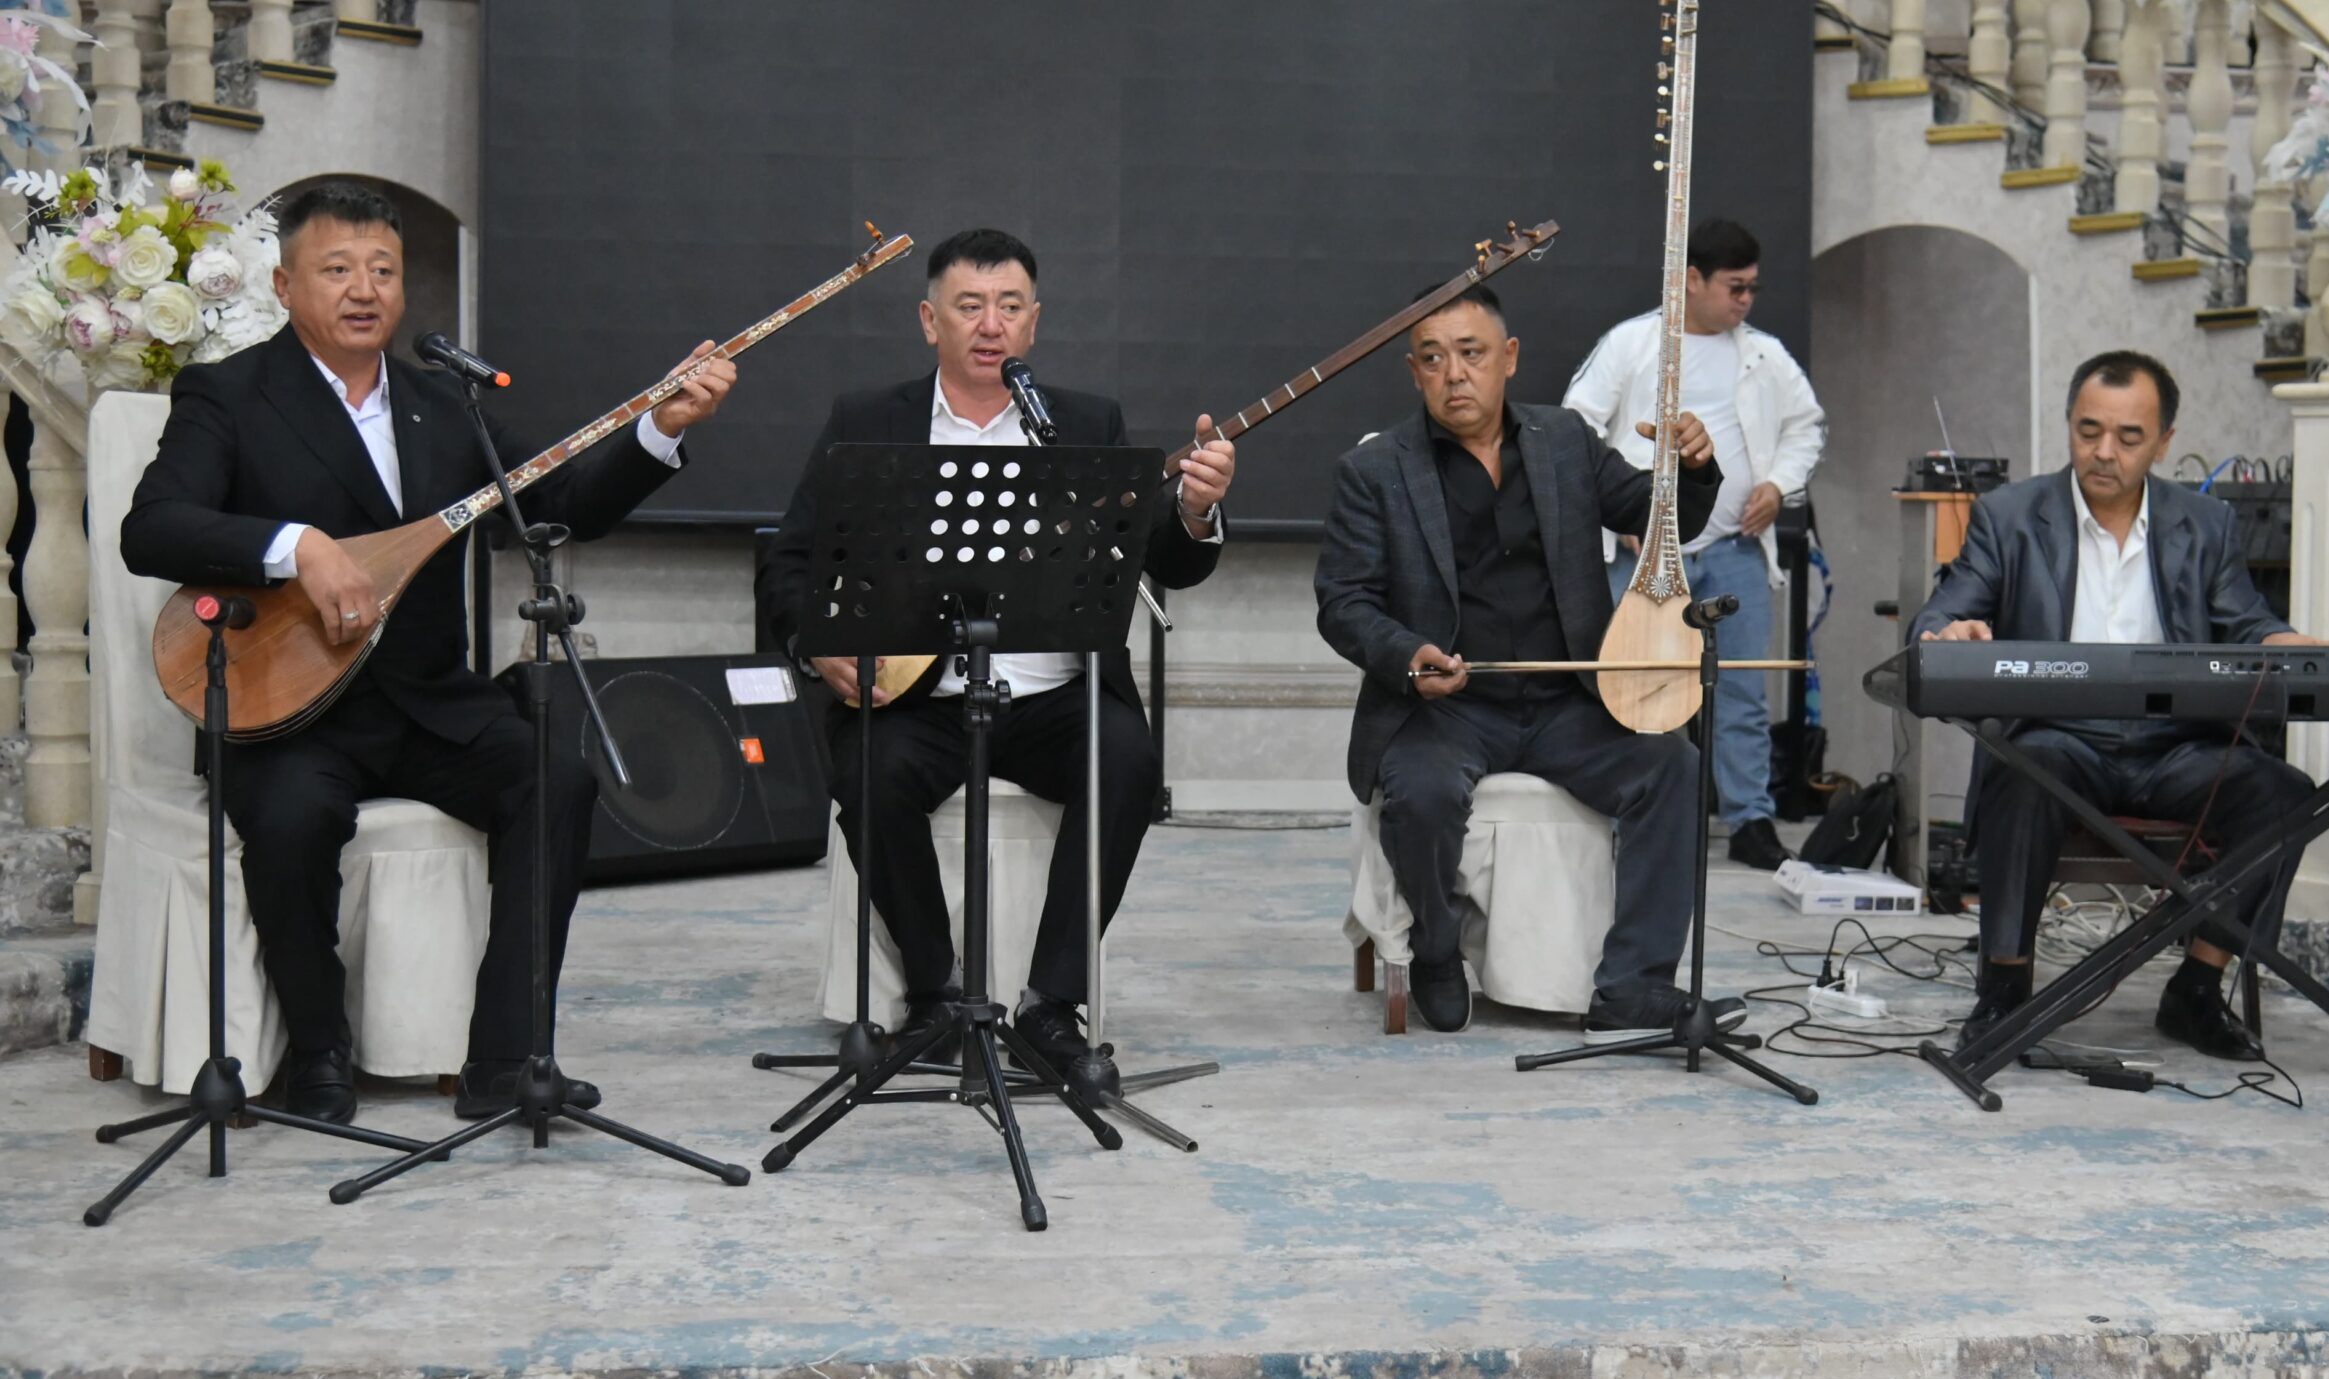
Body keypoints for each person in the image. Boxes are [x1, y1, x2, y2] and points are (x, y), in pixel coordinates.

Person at [121, 180, 736, 1124]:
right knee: (291, 817)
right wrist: (296, 546)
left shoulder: (445, 402)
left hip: (429, 703)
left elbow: (563, 504)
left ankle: (506, 1060)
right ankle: (320, 1049)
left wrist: (664, 426)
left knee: (555, 780)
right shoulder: (231, 393)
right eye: (337, 269)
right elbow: (153, 527)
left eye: (383, 269)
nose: (364, 289)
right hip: (290, 711)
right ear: (284, 285)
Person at [756, 227, 1235, 1089]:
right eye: (970, 306)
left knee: (1126, 759)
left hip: (1055, 699)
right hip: (919, 699)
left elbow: (1159, 554)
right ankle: (935, 993)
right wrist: (819, 647)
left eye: (1010, 307)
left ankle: (1051, 1004)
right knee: (867, 771)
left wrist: (1196, 511)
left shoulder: (1083, 424)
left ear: (1034, 323)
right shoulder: (868, 421)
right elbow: (789, 563)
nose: (991, 325)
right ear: (928, 320)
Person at [1314, 289, 1737, 1037]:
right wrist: (1408, 656)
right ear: (1413, 371)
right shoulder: (1374, 469)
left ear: (1508, 358)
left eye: (1472, 353)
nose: (1455, 374)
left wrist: (1693, 468)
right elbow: (1343, 602)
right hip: (1445, 707)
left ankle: (1634, 986)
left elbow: (1660, 519)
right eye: (1433, 358)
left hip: (1567, 700)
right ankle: (1436, 949)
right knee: (1421, 794)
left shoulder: (1564, 440)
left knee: (1674, 767)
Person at [1911, 349, 2324, 1060]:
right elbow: (1943, 611)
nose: (2104, 451)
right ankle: (2005, 987)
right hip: (2059, 741)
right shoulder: (2009, 517)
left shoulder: (2207, 523)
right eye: (2088, 430)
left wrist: (2283, 640)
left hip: (2176, 748)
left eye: (2129, 437)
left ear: (2163, 442)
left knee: (2285, 795)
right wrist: (1946, 630)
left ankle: (2196, 988)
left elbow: (2246, 621)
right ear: (2070, 425)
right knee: (2021, 769)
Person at [1562, 219, 1826, 871]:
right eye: (1735, 287)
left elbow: (1806, 428)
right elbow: (1575, 427)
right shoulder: (1632, 343)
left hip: (1735, 548)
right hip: (1645, 556)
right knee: (1640, 685)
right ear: (1692, 280)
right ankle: (1637, 815)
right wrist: (1616, 503)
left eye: (1753, 288)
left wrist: (1778, 484)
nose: (1746, 301)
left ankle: (1750, 820)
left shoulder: (1764, 355)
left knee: (1741, 691)